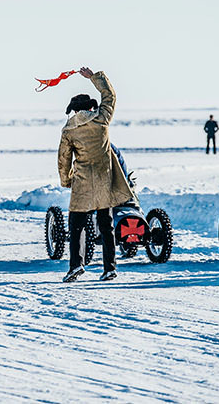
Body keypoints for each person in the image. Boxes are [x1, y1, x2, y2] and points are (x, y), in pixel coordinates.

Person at [58, 67, 135, 282]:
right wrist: (93, 77)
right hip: (104, 179)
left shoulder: (69, 130)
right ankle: (109, 268)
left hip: (82, 181)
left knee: (76, 224)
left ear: (74, 110)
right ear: (91, 107)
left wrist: (66, 181)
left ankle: (76, 266)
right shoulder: (102, 119)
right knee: (106, 224)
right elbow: (110, 95)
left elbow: (64, 158)